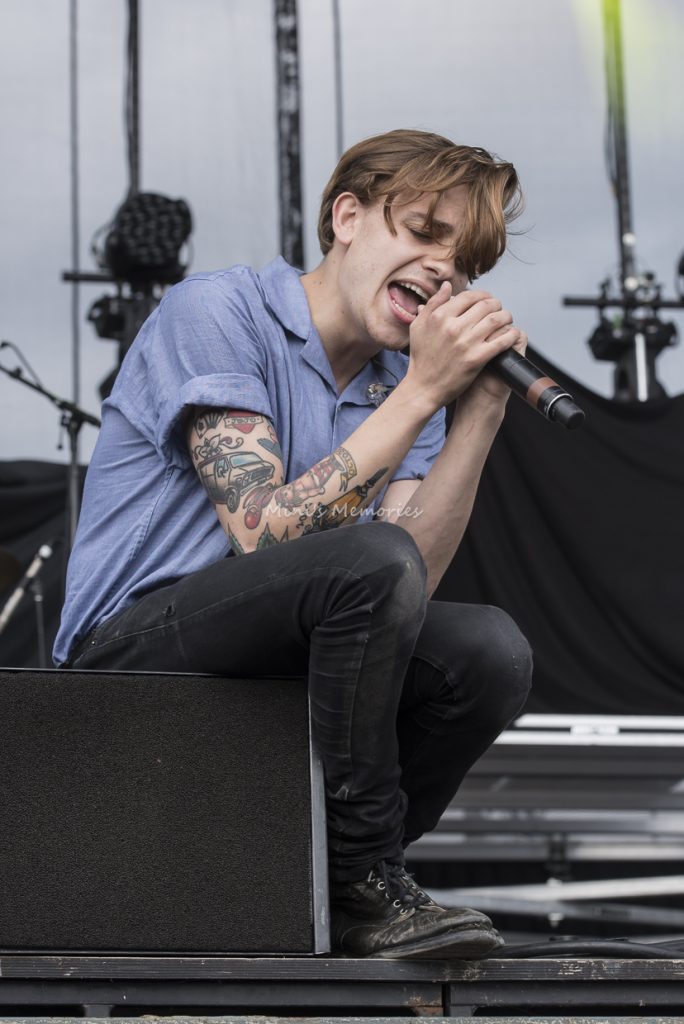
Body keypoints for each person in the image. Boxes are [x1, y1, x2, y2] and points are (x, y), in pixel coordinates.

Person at [54, 128, 533, 960]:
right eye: (424, 233)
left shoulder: (400, 384)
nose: (443, 271)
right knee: (366, 559)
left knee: (489, 652)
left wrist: (479, 412)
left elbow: (410, 581)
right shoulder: (218, 310)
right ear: (347, 217)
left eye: (466, 263)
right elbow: (261, 530)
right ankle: (361, 875)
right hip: (128, 655)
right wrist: (423, 392)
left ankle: (334, 875)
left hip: (277, 656)